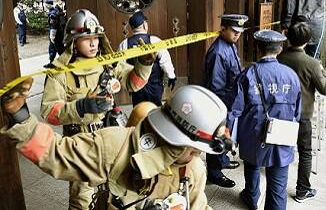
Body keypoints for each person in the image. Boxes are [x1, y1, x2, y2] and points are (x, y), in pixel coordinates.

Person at [1, 80, 234, 210]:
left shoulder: (193, 170)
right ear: (175, 141)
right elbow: (57, 154)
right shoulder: (115, 146)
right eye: (194, 150)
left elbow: (198, 207)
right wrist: (21, 117)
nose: (196, 157)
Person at [40, 9, 155, 209]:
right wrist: (81, 106)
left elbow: (133, 83)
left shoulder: (108, 63)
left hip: (111, 140)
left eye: (96, 38)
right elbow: (49, 112)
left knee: (116, 194)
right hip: (80, 145)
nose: (93, 44)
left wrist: (144, 63)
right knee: (82, 201)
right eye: (87, 39)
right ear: (73, 41)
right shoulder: (59, 72)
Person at [227, 29, 301, 210]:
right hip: (283, 135)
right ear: (280, 49)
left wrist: (229, 136)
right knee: (278, 185)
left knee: (252, 163)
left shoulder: (248, 74)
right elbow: (297, 111)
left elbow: (235, 110)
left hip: (254, 133)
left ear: (258, 48)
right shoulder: (291, 75)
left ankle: (252, 197)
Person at [278, 22, 326, 203]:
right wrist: (324, 73)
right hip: (302, 116)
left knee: (281, 148)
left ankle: (277, 187)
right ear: (308, 41)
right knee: (305, 152)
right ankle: (302, 190)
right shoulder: (312, 63)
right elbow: (324, 89)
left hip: (281, 115)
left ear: (288, 37)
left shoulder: (279, 58)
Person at [203, 14, 248, 188]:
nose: (237, 35)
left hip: (228, 99)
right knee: (217, 135)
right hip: (220, 101)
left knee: (225, 134)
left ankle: (222, 160)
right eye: (234, 31)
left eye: (239, 32)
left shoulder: (229, 45)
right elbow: (216, 86)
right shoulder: (218, 52)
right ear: (223, 29)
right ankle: (214, 173)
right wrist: (222, 108)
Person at [119, 11, 176, 106]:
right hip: (155, 85)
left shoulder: (124, 44)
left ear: (132, 28)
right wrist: (171, 76)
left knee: (138, 110)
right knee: (155, 110)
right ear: (145, 25)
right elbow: (165, 62)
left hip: (136, 86)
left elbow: (120, 66)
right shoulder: (155, 41)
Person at [44, 0, 61, 68]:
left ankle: (53, 62)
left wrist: (52, 36)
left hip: (55, 34)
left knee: (56, 48)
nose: (45, 5)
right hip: (58, 33)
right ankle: (52, 62)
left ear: (48, 5)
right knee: (57, 48)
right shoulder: (54, 11)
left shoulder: (52, 14)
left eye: (46, 4)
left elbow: (53, 25)